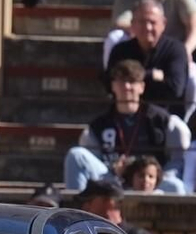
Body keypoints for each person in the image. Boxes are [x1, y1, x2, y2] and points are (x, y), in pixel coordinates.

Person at [67, 58, 188, 190]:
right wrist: (113, 170)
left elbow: (177, 159)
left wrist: (158, 177)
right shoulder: (98, 125)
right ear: (113, 86)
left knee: (175, 186)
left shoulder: (163, 120)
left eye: (131, 81)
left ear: (142, 87)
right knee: (76, 154)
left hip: (151, 184)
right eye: (121, 81)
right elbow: (94, 164)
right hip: (113, 182)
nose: (126, 87)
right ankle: (75, 210)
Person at [106, 0, 189, 117]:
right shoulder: (121, 51)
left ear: (163, 24)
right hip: (127, 116)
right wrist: (151, 75)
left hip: (165, 118)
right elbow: (111, 85)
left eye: (152, 22)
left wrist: (133, 81)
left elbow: (175, 90)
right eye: (142, 22)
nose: (148, 27)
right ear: (132, 24)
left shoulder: (176, 50)